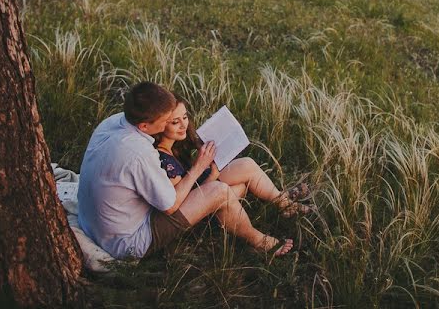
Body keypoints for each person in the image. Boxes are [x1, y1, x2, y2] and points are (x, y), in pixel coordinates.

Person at [77, 82, 295, 259]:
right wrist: (199, 166)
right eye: (166, 122)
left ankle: (282, 202)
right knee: (219, 191)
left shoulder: (114, 122)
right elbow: (170, 206)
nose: (167, 127)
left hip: (98, 222)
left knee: (240, 174)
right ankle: (258, 242)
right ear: (144, 126)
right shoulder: (139, 153)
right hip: (128, 240)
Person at [154, 95, 314, 222]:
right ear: (160, 125)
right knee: (240, 187)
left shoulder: (176, 142)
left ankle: (282, 200)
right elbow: (191, 203)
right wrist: (212, 175)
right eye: (175, 122)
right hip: (200, 198)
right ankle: (284, 202)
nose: (184, 125)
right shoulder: (164, 162)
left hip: (202, 181)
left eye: (185, 117)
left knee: (247, 166)